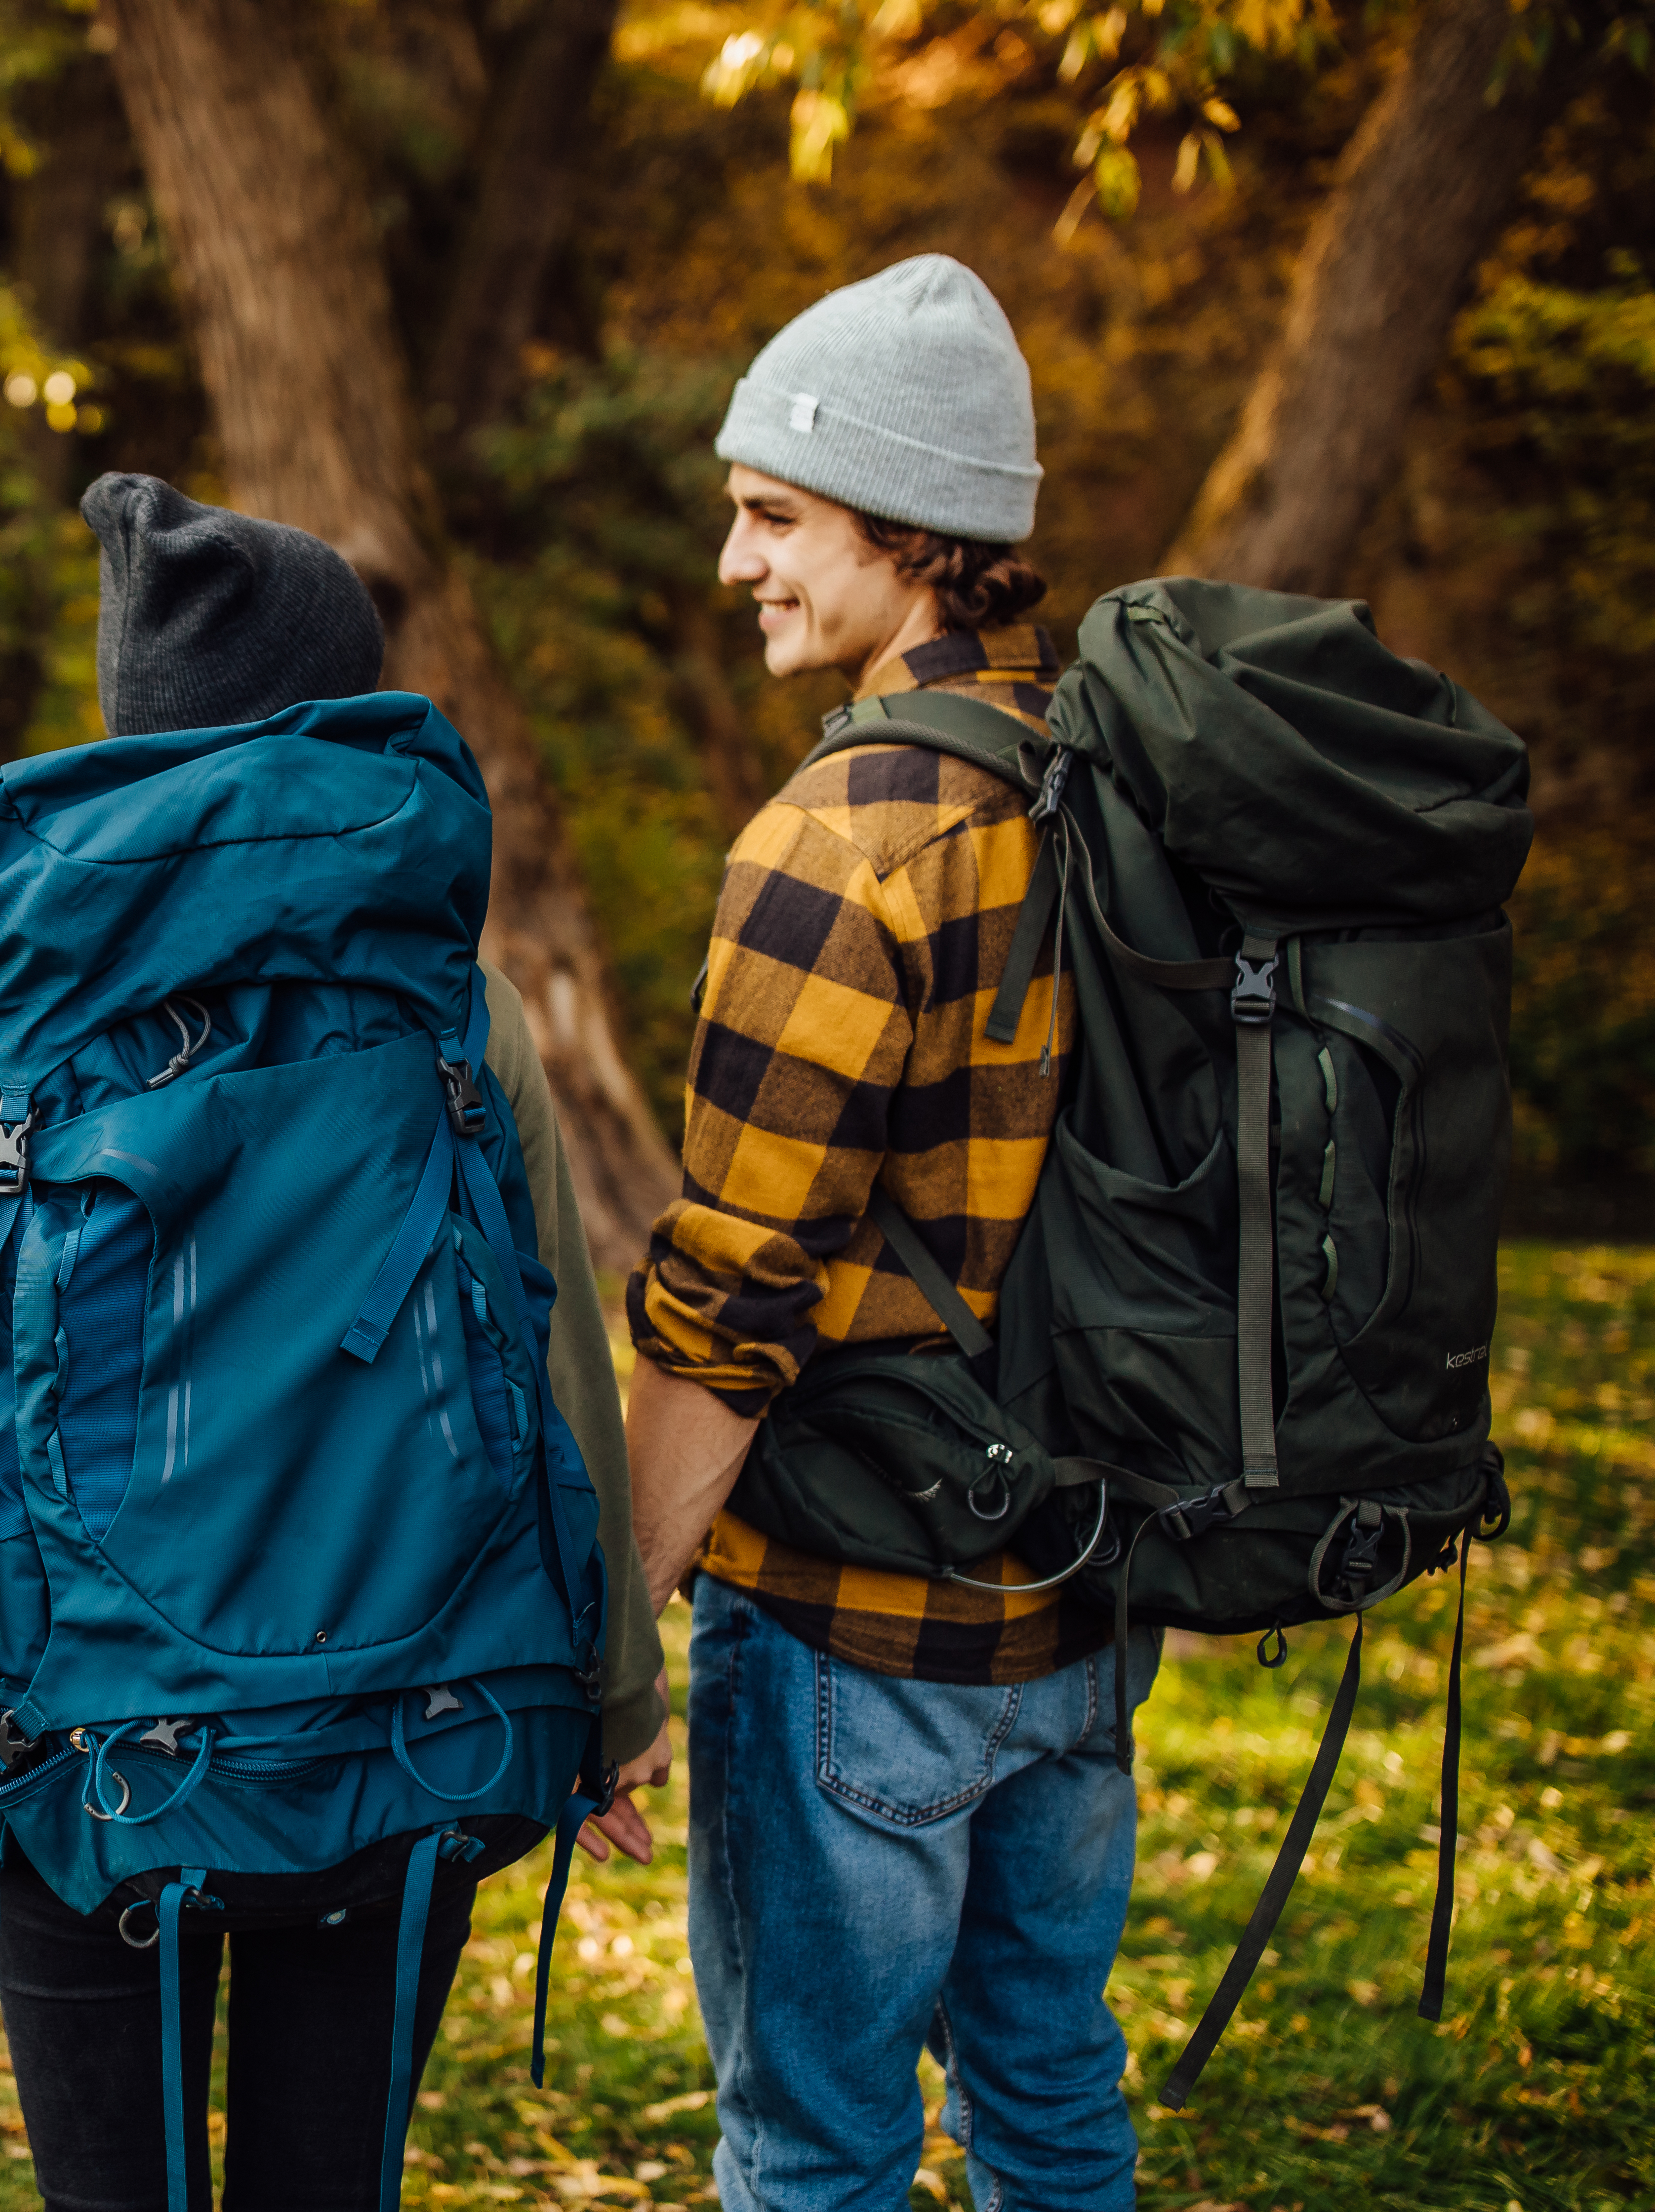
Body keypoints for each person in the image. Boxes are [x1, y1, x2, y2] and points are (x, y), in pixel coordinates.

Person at [0, 474, 670, 2212]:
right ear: (337, 710)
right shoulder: (458, 1001)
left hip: (70, 1735)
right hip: (419, 1710)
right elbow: (556, 1369)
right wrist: (607, 1702)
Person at [619, 254, 1161, 2212]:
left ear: (916, 534)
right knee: (1050, 2114)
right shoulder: (1130, 804)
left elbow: (729, 1293)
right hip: (1087, 1612)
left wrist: (619, 1633)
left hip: (855, 1627)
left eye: (774, 514)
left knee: (817, 2149)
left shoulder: (841, 846)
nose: (734, 560)